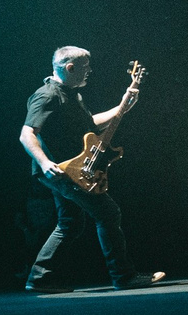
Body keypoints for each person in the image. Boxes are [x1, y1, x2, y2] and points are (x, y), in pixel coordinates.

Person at [21, 46, 159, 292]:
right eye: (86, 68)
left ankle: (40, 279)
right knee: (108, 213)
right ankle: (123, 276)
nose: (90, 72)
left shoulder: (71, 94)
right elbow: (27, 133)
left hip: (72, 167)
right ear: (70, 67)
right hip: (62, 170)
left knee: (70, 223)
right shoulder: (47, 95)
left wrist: (120, 109)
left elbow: (89, 123)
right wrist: (44, 162)